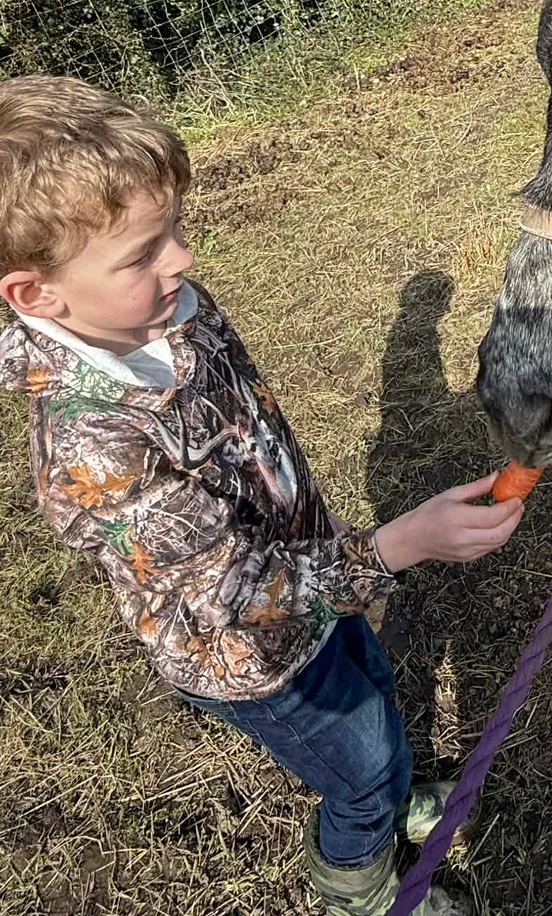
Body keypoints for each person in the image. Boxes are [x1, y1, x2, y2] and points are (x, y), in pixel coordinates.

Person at [0, 76, 523, 916]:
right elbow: (235, 598)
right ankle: (360, 883)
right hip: (252, 659)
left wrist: (344, 556)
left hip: (320, 579)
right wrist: (398, 546)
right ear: (36, 294)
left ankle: (392, 787)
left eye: (173, 229)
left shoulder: (171, 311)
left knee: (376, 694)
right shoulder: (91, 449)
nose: (182, 259)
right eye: (142, 253)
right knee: (354, 773)